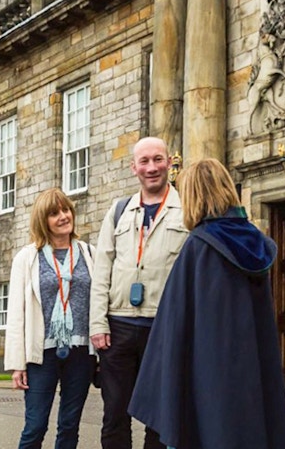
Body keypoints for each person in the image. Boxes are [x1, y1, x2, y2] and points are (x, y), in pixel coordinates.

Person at [129, 158, 285, 449]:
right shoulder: (255, 242)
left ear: (194, 196)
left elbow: (175, 323)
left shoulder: (200, 246)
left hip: (207, 372)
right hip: (252, 365)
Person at [89, 137, 187, 449]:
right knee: (115, 412)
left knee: (159, 416)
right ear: (134, 168)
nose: (151, 167)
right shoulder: (118, 211)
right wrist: (97, 324)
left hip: (164, 326)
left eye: (158, 159)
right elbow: (101, 269)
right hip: (118, 327)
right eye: (144, 162)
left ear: (169, 162)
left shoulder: (187, 210)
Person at [4, 188, 97, 449]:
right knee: (35, 426)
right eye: (54, 213)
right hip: (40, 354)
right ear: (42, 220)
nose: (63, 216)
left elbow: (100, 302)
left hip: (80, 352)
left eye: (66, 210)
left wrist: (100, 354)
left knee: (69, 426)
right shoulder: (27, 257)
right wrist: (17, 364)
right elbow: (16, 313)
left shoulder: (89, 253)